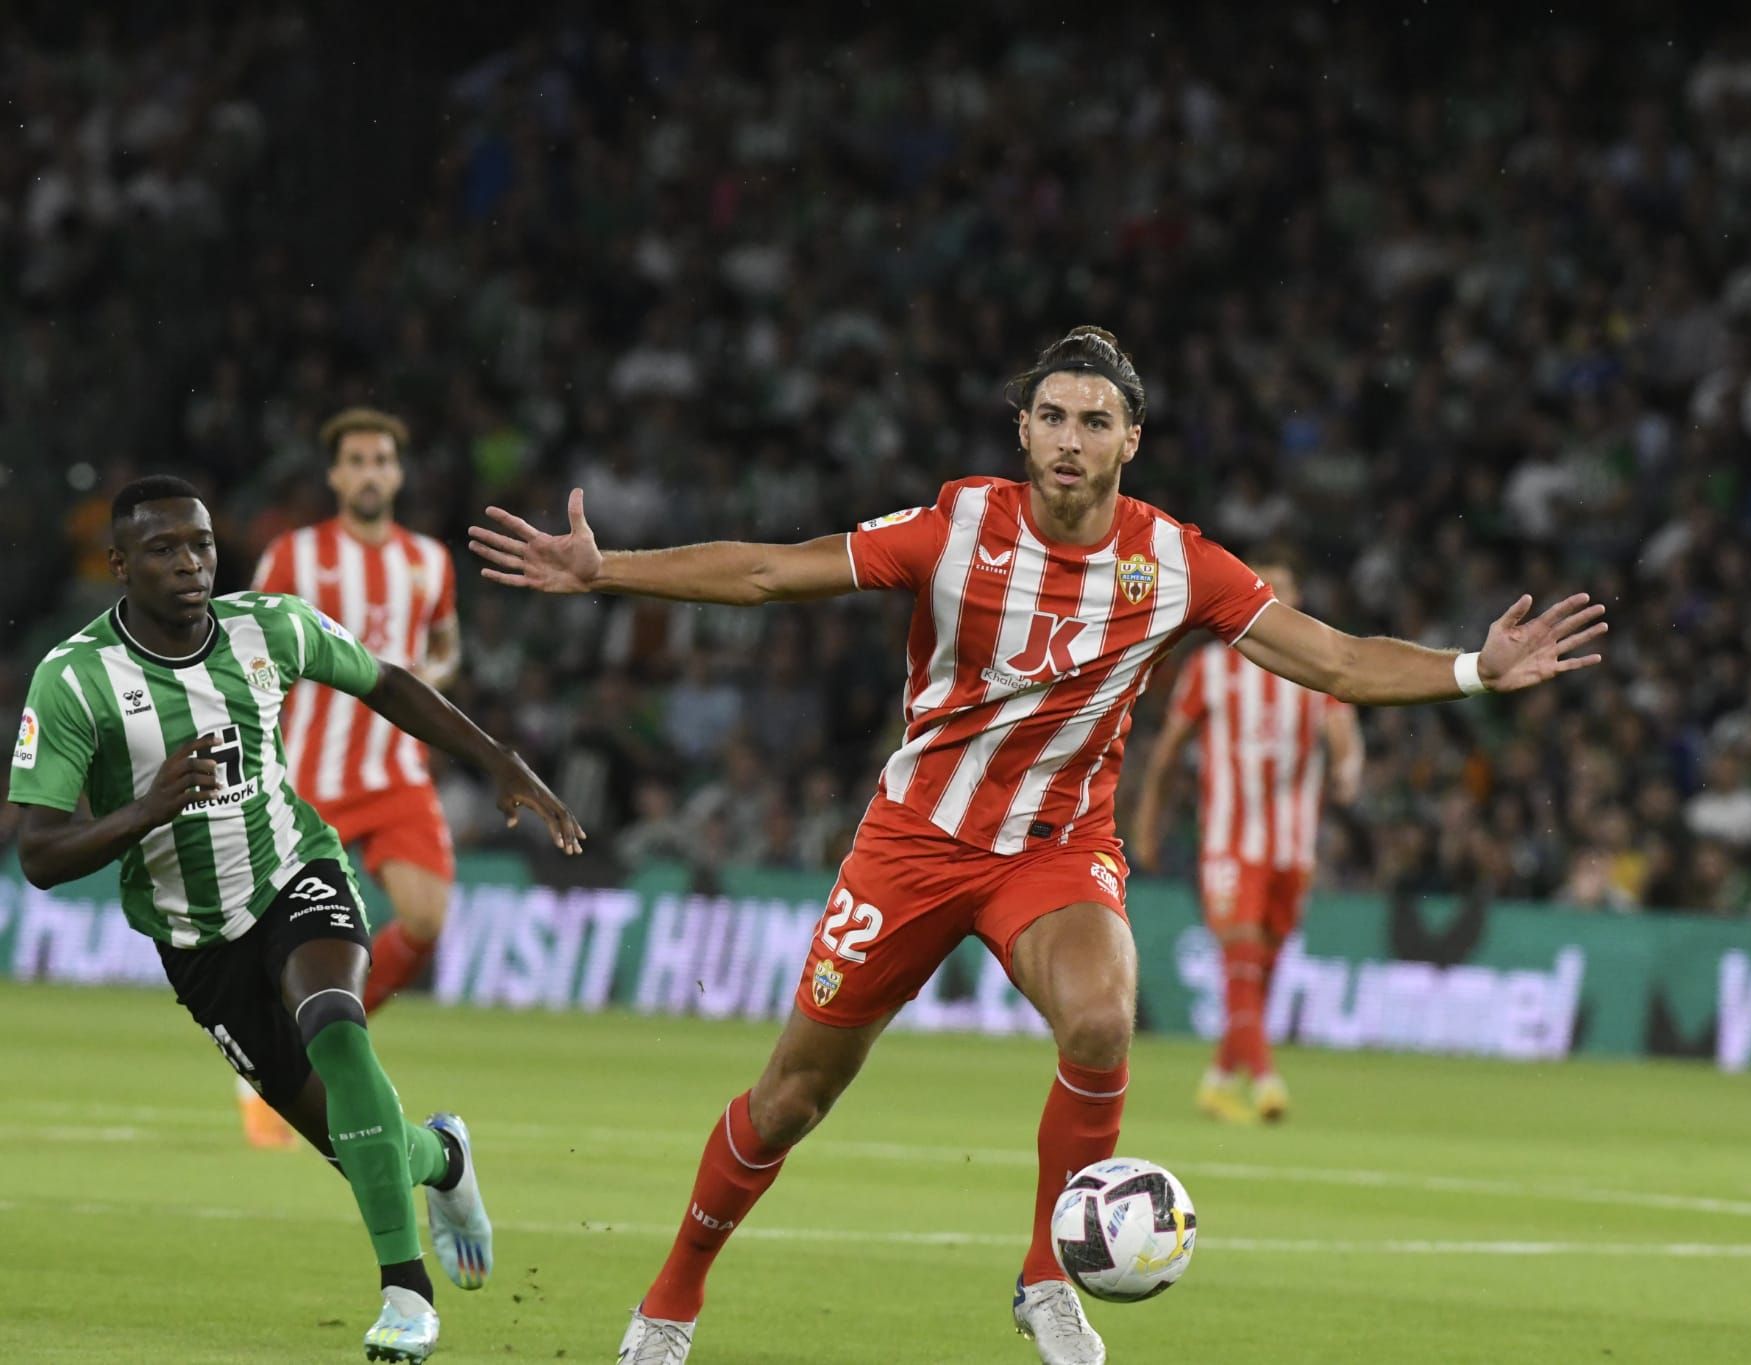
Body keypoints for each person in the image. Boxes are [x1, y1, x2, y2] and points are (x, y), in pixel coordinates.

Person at [469, 327, 1605, 1365]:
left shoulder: (1174, 563)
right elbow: (774, 570)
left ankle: (1043, 1278)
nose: (1070, 439)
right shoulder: (954, 526)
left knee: (1104, 1018)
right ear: (1022, 429)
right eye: (1052, 416)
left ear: (1131, 440)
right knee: (790, 1099)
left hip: (1053, 854)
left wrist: (1472, 669)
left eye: (1094, 421)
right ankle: (670, 1304)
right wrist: (602, 569)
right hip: (910, 843)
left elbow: (1335, 662)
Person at [10, 477, 585, 1363]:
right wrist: (144, 810)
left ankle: (407, 1296)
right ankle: (443, 1159)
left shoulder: (268, 627)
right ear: (119, 565)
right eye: (163, 549)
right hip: (196, 939)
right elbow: (40, 855)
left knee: (336, 1025)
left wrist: (499, 758)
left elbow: (386, 680)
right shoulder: (76, 679)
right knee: (359, 1146)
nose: (191, 563)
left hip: (295, 872)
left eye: (201, 543)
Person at [239, 409, 461, 1148]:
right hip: (309, 774)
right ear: (335, 475)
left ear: (398, 473)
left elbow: (445, 643)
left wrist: (431, 677)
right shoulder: (293, 556)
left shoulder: (429, 561)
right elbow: (245, 641)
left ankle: (316, 1036)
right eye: (356, 460)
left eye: (381, 460)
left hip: (395, 770)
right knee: (282, 937)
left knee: (425, 918)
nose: (369, 472)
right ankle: (274, 1062)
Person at [1129, 544, 1363, 1124]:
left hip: (1291, 845)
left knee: (1265, 965)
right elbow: (1166, 754)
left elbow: (1343, 728)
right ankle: (1263, 1080)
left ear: (1300, 600)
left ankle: (1217, 1078)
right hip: (1228, 842)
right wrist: (1146, 823)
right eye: (1266, 588)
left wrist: (1347, 769)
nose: (1275, 598)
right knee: (1240, 953)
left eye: (1284, 588)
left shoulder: (1315, 670)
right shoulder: (1209, 669)